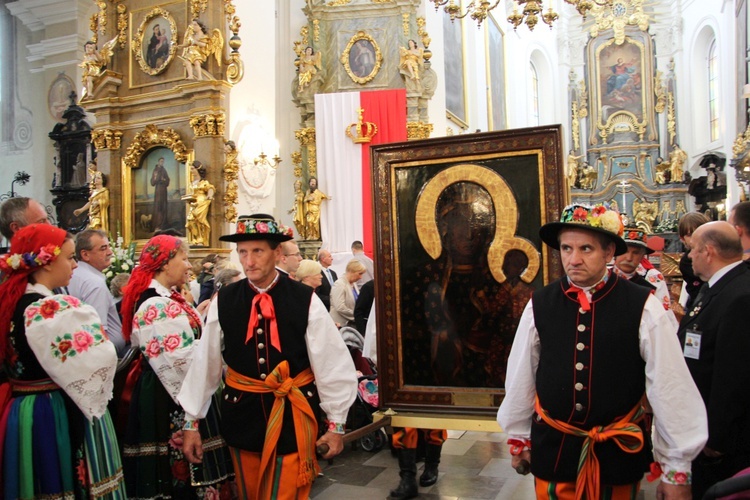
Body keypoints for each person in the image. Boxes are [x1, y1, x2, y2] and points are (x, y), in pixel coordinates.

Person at [498, 203, 707, 500]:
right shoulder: (541, 303)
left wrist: (676, 467)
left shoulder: (643, 306)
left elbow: (670, 386)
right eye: (566, 249)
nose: (574, 259)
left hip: (617, 454)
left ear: (609, 253)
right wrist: (519, 437)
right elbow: (521, 373)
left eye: (586, 249)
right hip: (554, 449)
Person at [177, 213, 358, 499]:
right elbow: (206, 364)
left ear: (277, 253)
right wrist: (191, 422)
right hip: (242, 417)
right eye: (243, 252)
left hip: (293, 416)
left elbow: (331, 363)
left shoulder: (304, 299)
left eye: (257, 251)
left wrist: (336, 424)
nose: (249, 261)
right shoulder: (224, 301)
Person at [0, 224, 126, 498]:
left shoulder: (10, 302)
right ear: (46, 263)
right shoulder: (51, 309)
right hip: (53, 409)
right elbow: (99, 358)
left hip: (21, 409)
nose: (74, 265)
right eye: (70, 258)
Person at [119, 234, 235, 498]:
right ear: (164, 263)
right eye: (183, 258)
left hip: (174, 385)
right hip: (171, 393)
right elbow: (179, 362)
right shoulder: (155, 304)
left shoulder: (167, 298)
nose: (188, 265)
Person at [677, 221, 750, 499]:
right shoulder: (716, 288)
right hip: (702, 424)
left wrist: (717, 438)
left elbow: (734, 376)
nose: (689, 256)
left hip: (725, 444)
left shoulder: (739, 296)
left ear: (708, 251)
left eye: (693, 249)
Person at [68, 229, 126, 357]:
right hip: (107, 354)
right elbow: (98, 332)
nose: (110, 252)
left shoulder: (75, 274)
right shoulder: (94, 283)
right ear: (85, 255)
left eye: (109, 247)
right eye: (103, 248)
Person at [612, 226, 675, 320]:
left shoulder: (653, 277)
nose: (629, 258)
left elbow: (664, 315)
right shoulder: (603, 275)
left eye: (636, 253)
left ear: (642, 256)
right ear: (614, 252)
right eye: (625, 251)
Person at [678, 212, 710, 311]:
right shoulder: (687, 261)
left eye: (699, 232)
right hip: (697, 303)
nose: (696, 237)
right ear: (683, 238)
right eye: (690, 234)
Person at [185, 160, 215, 247]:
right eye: (190, 169)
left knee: (199, 219)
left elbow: (211, 188)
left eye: (192, 169)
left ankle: (201, 239)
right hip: (193, 203)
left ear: (198, 169)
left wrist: (209, 195)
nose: (191, 171)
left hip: (202, 202)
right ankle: (195, 238)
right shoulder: (192, 183)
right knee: (191, 220)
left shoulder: (203, 182)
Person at [330, 259, 366, 328]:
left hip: (351, 324)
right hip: (340, 325)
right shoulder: (339, 284)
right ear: (351, 271)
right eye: (360, 273)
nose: (360, 277)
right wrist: (357, 315)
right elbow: (340, 307)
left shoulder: (353, 283)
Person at [304, 176, 330, 240]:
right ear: (309, 183)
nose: (313, 183)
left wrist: (328, 197)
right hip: (309, 210)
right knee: (309, 222)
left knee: (315, 224)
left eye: (314, 182)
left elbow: (325, 196)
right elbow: (304, 200)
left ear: (316, 184)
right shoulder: (307, 192)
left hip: (316, 209)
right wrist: (308, 198)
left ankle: (315, 235)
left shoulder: (318, 192)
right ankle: (310, 235)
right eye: (311, 182)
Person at [150, 156, 170, 232]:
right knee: (158, 207)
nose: (162, 163)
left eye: (163, 161)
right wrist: (159, 179)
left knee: (163, 207)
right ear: (158, 162)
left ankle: (163, 225)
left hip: (163, 190)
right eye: (161, 161)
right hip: (158, 190)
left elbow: (167, 179)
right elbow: (153, 181)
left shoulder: (164, 170)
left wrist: (164, 180)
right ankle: (157, 225)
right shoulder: (155, 170)